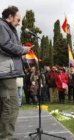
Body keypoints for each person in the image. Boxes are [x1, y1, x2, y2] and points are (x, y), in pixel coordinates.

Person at [0, 6, 31, 140]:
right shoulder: (2, 26)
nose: (19, 23)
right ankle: (6, 137)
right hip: (5, 73)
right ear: (10, 16)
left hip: (6, 71)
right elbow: (5, 44)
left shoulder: (7, 28)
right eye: (18, 19)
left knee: (5, 107)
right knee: (11, 107)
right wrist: (23, 49)